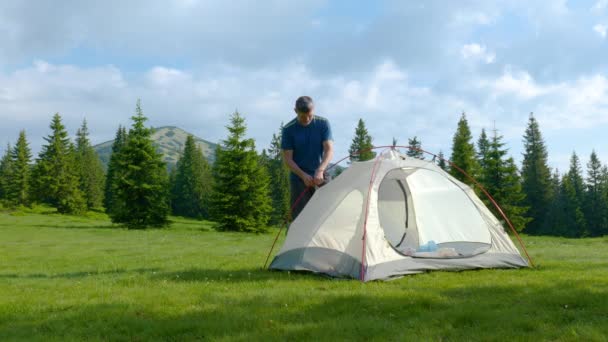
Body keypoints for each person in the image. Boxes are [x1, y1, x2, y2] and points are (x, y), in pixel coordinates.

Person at [281, 96, 334, 221]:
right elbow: (288, 159)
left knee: (329, 213)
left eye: (309, 115)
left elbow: (329, 150)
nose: (307, 119)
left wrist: (320, 170)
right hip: (299, 178)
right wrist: (303, 175)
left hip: (321, 174)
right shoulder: (288, 129)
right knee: (300, 218)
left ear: (313, 109)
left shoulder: (323, 123)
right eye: (303, 116)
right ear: (295, 111)